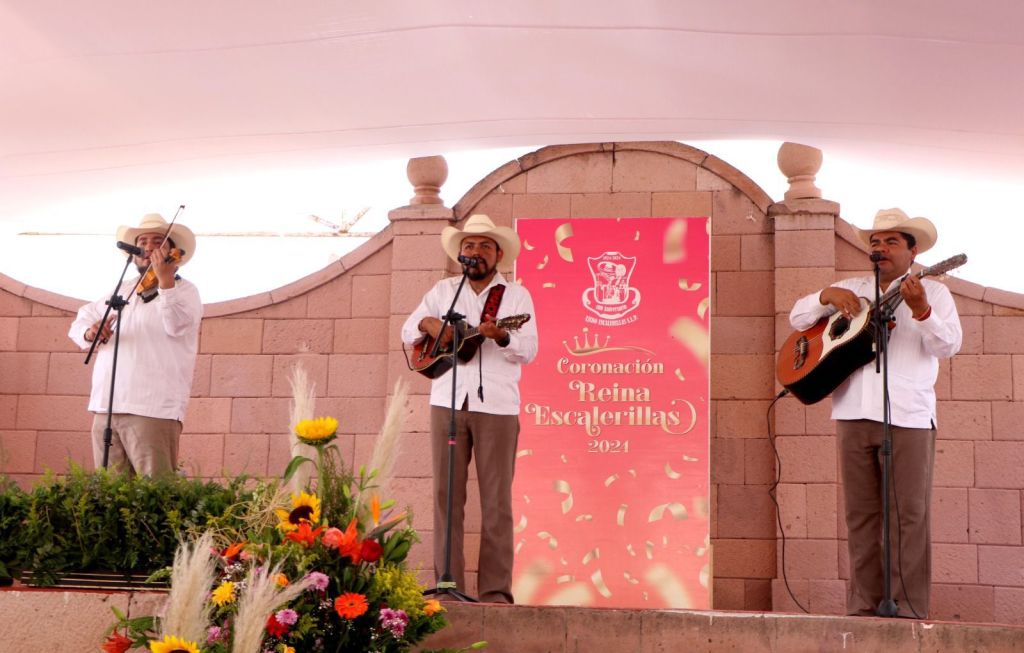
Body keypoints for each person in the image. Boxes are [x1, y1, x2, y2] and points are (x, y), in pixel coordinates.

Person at [789, 208, 962, 618]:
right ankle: (864, 608)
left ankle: (908, 608)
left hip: (909, 417)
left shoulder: (934, 293)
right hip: (852, 413)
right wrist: (825, 296)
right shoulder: (852, 288)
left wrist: (922, 310)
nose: (880, 248)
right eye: (876, 242)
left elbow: (949, 346)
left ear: (913, 252)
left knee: (909, 515)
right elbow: (798, 317)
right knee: (861, 516)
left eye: (891, 242)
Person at [401, 214, 538, 603]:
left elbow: (530, 350)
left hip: (497, 405)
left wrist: (503, 336)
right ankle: (449, 589)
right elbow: (408, 330)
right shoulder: (443, 290)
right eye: (469, 245)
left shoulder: (515, 296)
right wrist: (431, 323)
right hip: (446, 401)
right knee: (446, 497)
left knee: (496, 502)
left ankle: (495, 594)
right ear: (460, 254)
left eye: (484, 245)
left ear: (498, 254)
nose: (476, 251)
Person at [69, 213, 202, 477]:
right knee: (110, 493)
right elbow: (81, 320)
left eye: (157, 242)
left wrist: (165, 281)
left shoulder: (185, 291)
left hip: (151, 408)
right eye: (142, 242)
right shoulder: (122, 289)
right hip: (107, 406)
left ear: (172, 252)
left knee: (155, 491)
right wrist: (90, 332)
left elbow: (177, 325)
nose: (148, 247)